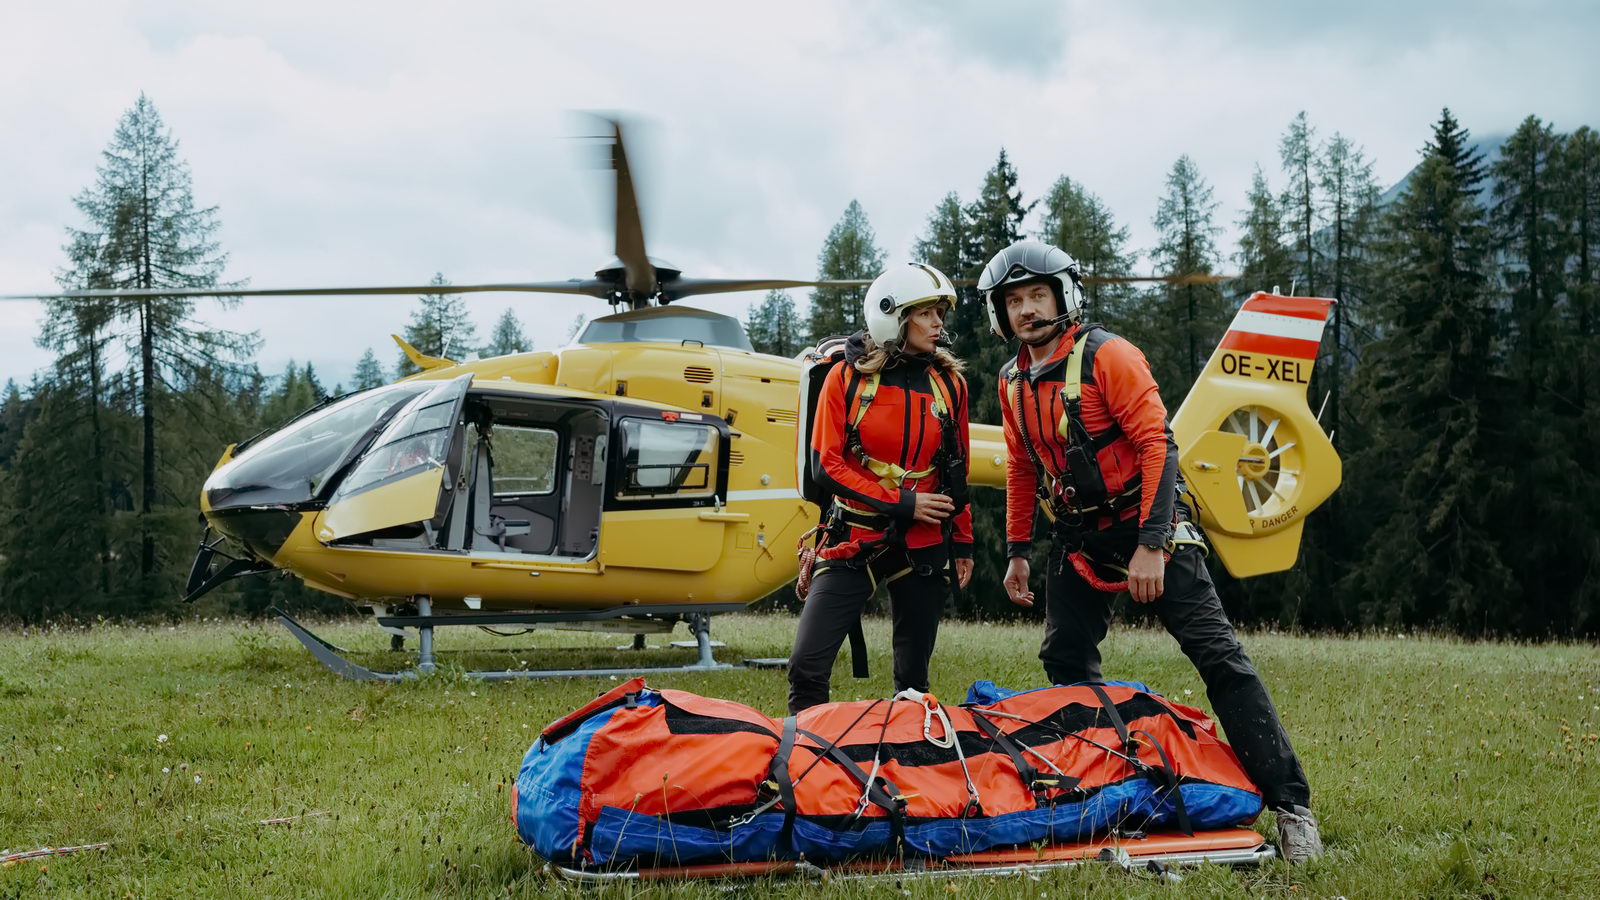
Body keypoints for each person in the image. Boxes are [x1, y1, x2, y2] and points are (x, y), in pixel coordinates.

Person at [980, 239, 1324, 863]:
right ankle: (1106, 779)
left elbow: (1157, 448)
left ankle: (1293, 808)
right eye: (1014, 302)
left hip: (1151, 520)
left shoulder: (1111, 357)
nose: (1027, 310)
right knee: (1064, 657)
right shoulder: (1012, 381)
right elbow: (1024, 469)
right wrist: (1018, 550)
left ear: (1063, 296)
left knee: (1218, 656)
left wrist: (1150, 546)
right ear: (1000, 315)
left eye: (1037, 295)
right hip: (1080, 537)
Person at [788, 262, 974, 715]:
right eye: (926, 313)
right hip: (853, 536)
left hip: (925, 544)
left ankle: (905, 762)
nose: (938, 324)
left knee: (913, 681)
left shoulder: (949, 384)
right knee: (806, 666)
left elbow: (957, 468)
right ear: (893, 316)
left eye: (939, 314)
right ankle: (802, 759)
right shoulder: (845, 380)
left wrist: (964, 539)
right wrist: (905, 502)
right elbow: (825, 467)